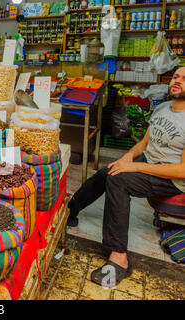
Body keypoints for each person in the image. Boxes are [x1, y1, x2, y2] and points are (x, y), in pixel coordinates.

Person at [67, 66, 185, 288]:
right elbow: (144, 143)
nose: (177, 81)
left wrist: (135, 169)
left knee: (118, 179)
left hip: (172, 180)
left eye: (184, 79)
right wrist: (127, 159)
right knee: (108, 171)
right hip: (149, 163)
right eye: (176, 77)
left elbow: (182, 170)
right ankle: (70, 210)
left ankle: (119, 257)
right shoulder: (163, 109)